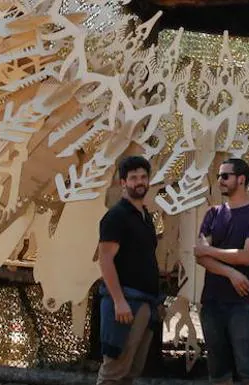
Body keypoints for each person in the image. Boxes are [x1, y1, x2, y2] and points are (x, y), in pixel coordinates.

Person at [194, 158, 249, 385]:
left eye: (225, 176)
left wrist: (211, 251)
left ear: (241, 179)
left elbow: (247, 256)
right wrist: (231, 273)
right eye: (219, 176)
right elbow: (201, 256)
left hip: (246, 304)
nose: (220, 180)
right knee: (218, 375)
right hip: (212, 303)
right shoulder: (212, 214)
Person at [97, 155, 162, 385]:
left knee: (130, 373)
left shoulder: (145, 217)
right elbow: (105, 260)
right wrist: (119, 301)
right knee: (113, 372)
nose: (139, 182)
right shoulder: (116, 217)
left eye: (143, 177)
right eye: (133, 178)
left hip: (145, 303)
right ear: (123, 182)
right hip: (124, 304)